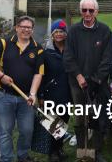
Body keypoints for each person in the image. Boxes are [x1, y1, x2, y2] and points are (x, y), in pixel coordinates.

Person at [0, 16, 44, 162]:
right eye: (23, 26)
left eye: (29, 27)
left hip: (25, 98)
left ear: (32, 30)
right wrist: (1, 76)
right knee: (5, 132)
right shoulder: (4, 43)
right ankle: (6, 159)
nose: (26, 30)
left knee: (27, 131)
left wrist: (33, 94)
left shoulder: (38, 49)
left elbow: (38, 74)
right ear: (17, 27)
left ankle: (22, 156)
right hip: (4, 96)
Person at [63, 0, 112, 162]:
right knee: (80, 117)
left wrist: (96, 79)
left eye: (91, 10)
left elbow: (107, 59)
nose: (88, 13)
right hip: (77, 84)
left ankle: (95, 151)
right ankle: (82, 151)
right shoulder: (74, 31)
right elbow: (68, 57)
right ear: (81, 11)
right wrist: (78, 76)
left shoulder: (105, 31)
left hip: (97, 84)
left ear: (96, 11)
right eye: (84, 10)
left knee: (95, 117)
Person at [33, 19, 72, 161]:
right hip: (51, 93)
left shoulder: (71, 50)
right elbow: (41, 75)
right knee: (53, 122)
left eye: (62, 32)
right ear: (52, 34)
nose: (59, 34)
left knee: (64, 121)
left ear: (66, 34)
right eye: (56, 32)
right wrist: (41, 95)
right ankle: (52, 151)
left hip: (67, 92)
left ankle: (59, 147)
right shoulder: (45, 51)